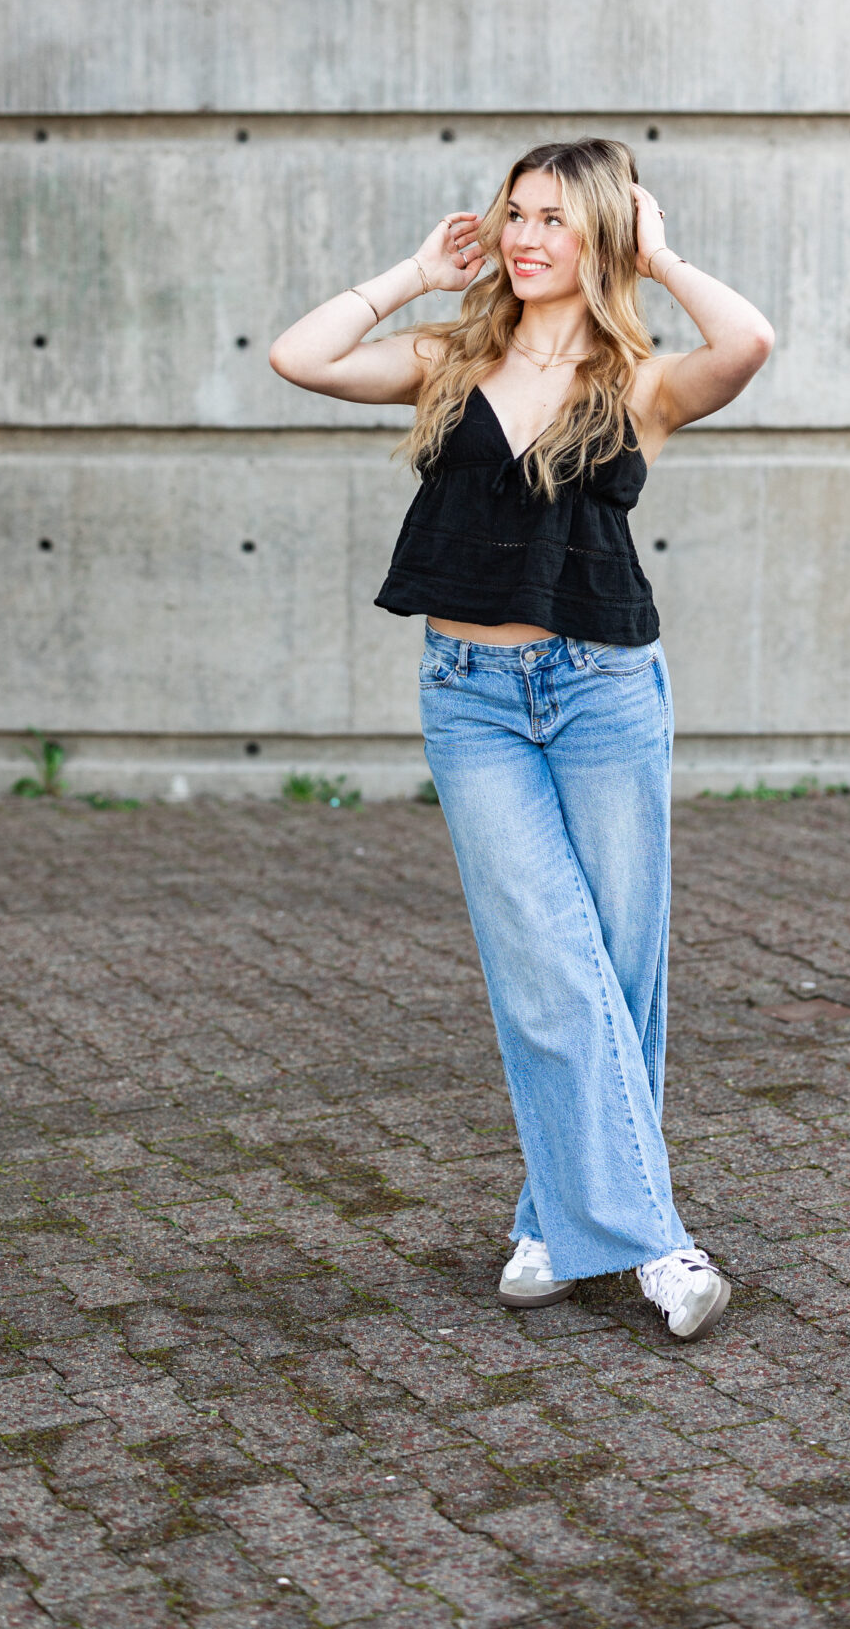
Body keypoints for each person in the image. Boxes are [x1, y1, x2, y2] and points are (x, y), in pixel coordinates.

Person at [270, 138, 773, 1341]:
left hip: (604, 690)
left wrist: (662, 258)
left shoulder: (640, 377)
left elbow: (749, 341)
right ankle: (654, 1243)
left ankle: (554, 1219)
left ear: (602, 233)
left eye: (554, 216)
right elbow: (301, 355)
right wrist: (413, 273)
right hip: (472, 696)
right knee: (549, 967)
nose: (526, 236)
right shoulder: (450, 357)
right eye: (515, 214)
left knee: (616, 971)